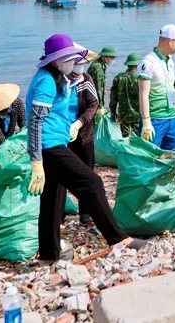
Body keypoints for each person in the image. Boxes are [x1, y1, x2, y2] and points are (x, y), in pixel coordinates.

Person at [26, 34, 141, 263]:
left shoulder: (57, 77)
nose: (72, 63)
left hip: (55, 143)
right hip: (49, 146)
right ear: (55, 61)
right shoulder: (47, 81)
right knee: (92, 183)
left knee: (52, 199)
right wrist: (36, 161)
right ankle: (118, 239)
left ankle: (48, 255)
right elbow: (35, 122)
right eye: (68, 59)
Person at [138, 25, 175, 151]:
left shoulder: (170, 61)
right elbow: (143, 94)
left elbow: (171, 88)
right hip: (156, 119)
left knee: (171, 156)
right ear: (170, 41)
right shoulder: (148, 63)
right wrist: (146, 122)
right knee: (151, 156)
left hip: (172, 118)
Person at [66, 48, 100, 225]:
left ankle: (85, 214)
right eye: (77, 64)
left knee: (87, 173)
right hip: (62, 136)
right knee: (62, 175)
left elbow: (93, 104)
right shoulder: (60, 81)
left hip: (83, 136)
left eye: (82, 64)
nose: (81, 68)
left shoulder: (85, 80)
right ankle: (60, 211)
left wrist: (79, 123)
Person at [109, 53, 143, 137]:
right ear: (138, 64)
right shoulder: (141, 78)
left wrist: (113, 112)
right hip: (138, 114)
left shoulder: (118, 78)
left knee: (126, 138)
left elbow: (113, 97)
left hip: (124, 115)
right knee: (139, 139)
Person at [88, 46, 118, 112]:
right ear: (104, 56)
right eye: (111, 57)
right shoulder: (97, 68)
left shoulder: (101, 65)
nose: (113, 60)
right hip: (93, 100)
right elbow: (97, 87)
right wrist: (100, 105)